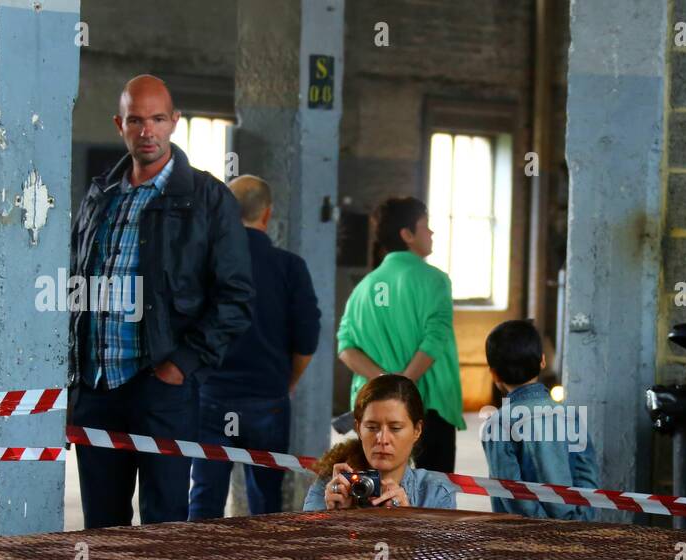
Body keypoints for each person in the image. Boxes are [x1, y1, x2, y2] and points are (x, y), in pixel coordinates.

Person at [68, 74, 253, 528]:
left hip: (162, 390)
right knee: (102, 526)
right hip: (97, 388)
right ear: (120, 124)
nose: (146, 130)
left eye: (156, 119)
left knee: (163, 525)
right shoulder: (101, 197)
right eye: (135, 120)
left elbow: (236, 297)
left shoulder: (208, 199)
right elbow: (75, 287)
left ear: (174, 122)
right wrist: (72, 381)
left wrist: (182, 364)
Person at [189, 175, 321, 519]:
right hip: (268, 401)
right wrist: (286, 383)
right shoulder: (290, 267)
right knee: (266, 499)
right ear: (267, 214)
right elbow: (307, 338)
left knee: (205, 493)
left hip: (210, 397)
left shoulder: (203, 264)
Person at [335, 197, 464, 473]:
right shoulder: (435, 280)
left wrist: (384, 383)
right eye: (425, 226)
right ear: (407, 235)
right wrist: (402, 390)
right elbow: (435, 338)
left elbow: (345, 347)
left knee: (376, 492)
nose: (431, 233)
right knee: (433, 498)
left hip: (373, 410)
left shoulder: (363, 288)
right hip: (429, 407)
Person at [480, 320, 600, 520]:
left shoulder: (497, 425)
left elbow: (511, 490)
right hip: (576, 533)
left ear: (494, 373)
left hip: (523, 539)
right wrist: (580, 521)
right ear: (542, 361)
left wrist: (541, 526)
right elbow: (588, 476)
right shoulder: (570, 414)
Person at [303, 374, 456, 511]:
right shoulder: (329, 487)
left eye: (395, 428)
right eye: (371, 427)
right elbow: (304, 541)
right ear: (358, 429)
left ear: (417, 430)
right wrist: (336, 517)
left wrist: (407, 522)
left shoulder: (436, 493)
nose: (382, 439)